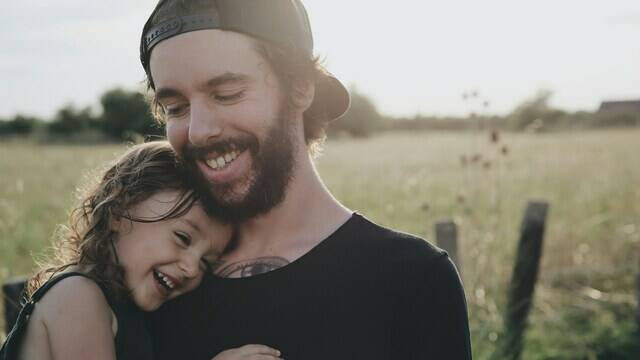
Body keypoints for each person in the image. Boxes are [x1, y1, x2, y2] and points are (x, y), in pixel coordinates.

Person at [141, 1, 472, 359]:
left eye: (227, 94)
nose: (199, 131)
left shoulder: (411, 279)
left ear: (300, 88)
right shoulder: (157, 279)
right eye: (175, 108)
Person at [0, 142, 283, 360]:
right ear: (118, 210)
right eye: (183, 238)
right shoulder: (77, 296)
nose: (191, 268)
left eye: (206, 263)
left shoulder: (126, 312)